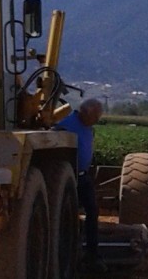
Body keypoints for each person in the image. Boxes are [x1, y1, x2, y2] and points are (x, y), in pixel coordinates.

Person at [55, 98, 105, 272]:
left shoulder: (88, 127)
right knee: (68, 214)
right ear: (85, 112)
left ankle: (92, 255)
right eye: (95, 116)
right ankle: (68, 254)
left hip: (83, 176)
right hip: (69, 177)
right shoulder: (65, 126)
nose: (97, 120)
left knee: (92, 211)